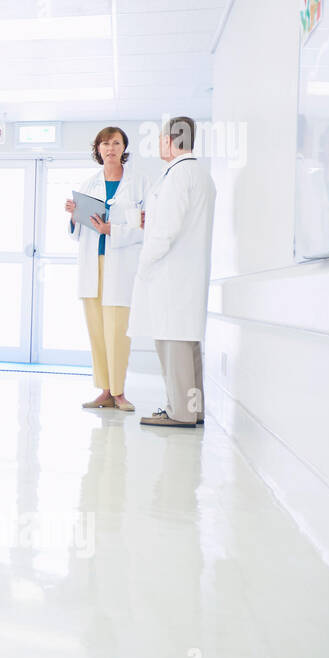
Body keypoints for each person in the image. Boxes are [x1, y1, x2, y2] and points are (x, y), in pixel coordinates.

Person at [128, 116, 217, 428]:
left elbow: (167, 230)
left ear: (171, 139)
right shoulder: (199, 174)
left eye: (162, 138)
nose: (159, 144)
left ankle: (180, 412)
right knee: (188, 344)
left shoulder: (178, 176)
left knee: (173, 343)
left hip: (172, 275)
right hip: (186, 275)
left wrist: (144, 262)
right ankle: (194, 410)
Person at [65, 126, 150, 412]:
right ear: (97, 149)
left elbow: (146, 225)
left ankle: (120, 392)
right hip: (93, 265)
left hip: (121, 265)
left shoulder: (139, 184)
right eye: (104, 144)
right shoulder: (88, 185)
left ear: (124, 148)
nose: (110, 148)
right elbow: (77, 232)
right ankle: (104, 391)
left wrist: (112, 229)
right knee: (97, 330)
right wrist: (74, 216)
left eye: (115, 143)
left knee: (118, 330)